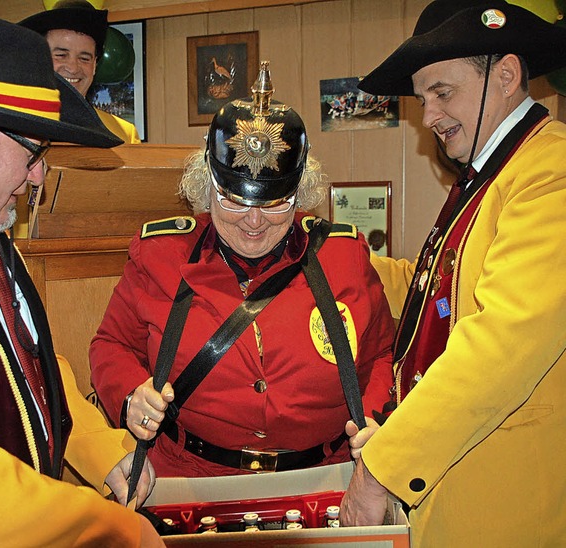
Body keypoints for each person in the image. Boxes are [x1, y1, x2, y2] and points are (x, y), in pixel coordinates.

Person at [89, 61, 395, 478]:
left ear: (299, 191)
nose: (253, 221)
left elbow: (380, 354)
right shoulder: (159, 254)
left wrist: (377, 423)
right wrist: (129, 396)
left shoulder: (345, 257)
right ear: (207, 185)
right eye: (234, 201)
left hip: (328, 475)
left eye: (273, 203)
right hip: (191, 475)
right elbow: (111, 344)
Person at [0, 13, 163, 546]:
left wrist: (104, 452)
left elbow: (31, 364)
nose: (39, 176)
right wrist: (104, 526)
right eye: (32, 152)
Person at [339, 1, 566, 545]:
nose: (431, 116)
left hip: (505, 508)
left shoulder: (549, 173)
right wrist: (330, 251)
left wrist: (381, 467)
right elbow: (433, 288)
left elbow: (502, 343)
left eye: (443, 92)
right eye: (423, 100)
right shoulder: (494, 173)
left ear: (507, 75)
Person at [20, 0, 141, 144]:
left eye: (84, 58)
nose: (73, 68)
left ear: (95, 65)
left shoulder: (124, 135)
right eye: (61, 55)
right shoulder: (16, 127)